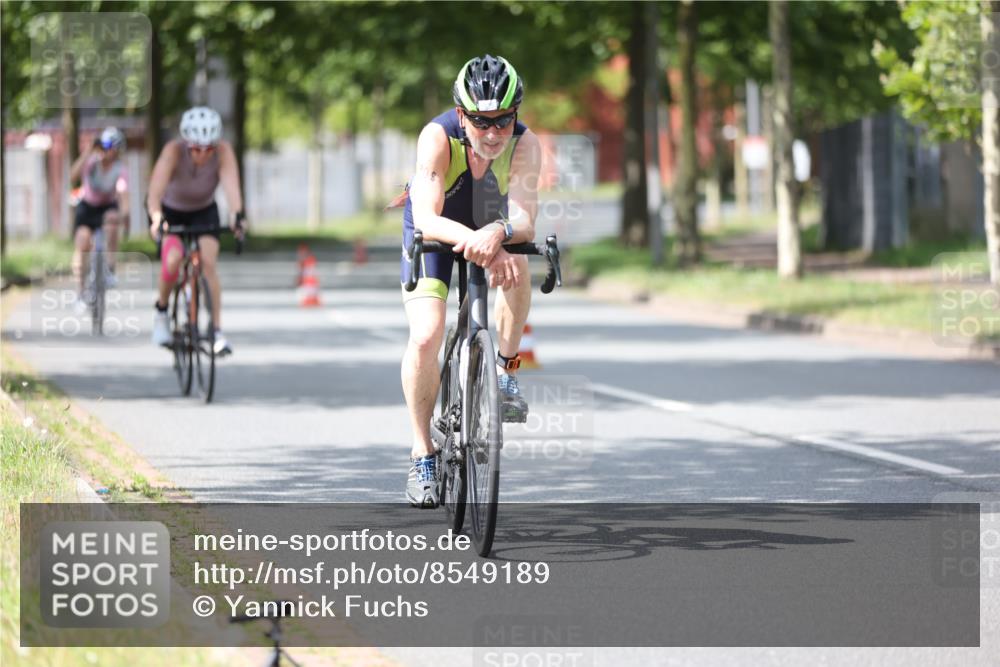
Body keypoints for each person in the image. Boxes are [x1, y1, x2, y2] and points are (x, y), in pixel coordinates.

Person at [398, 54, 542, 508]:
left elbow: (524, 217)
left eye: (503, 120)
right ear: (462, 115)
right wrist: (484, 242)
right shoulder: (437, 137)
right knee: (426, 335)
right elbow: (426, 216)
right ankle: (423, 451)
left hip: (490, 225)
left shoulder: (525, 143)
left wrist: (498, 236)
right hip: (438, 229)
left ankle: (505, 369)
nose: (494, 132)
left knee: (519, 269)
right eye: (482, 122)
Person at [146, 106, 246, 355]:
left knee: (209, 263)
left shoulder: (223, 152)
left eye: (209, 148)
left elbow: (232, 187)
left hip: (204, 210)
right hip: (172, 210)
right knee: (173, 260)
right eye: (196, 149)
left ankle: (216, 332)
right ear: (186, 143)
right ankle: (161, 313)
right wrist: (157, 218)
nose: (203, 154)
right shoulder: (173, 151)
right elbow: (154, 192)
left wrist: (236, 216)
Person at [69, 126, 128, 307]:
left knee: (112, 219)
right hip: (87, 206)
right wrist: (88, 150)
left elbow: (124, 192)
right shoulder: (91, 162)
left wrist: (124, 214)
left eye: (114, 147)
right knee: (83, 242)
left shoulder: (120, 169)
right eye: (107, 146)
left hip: (107, 207)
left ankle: (109, 268)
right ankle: (80, 292)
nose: (109, 151)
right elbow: (73, 176)